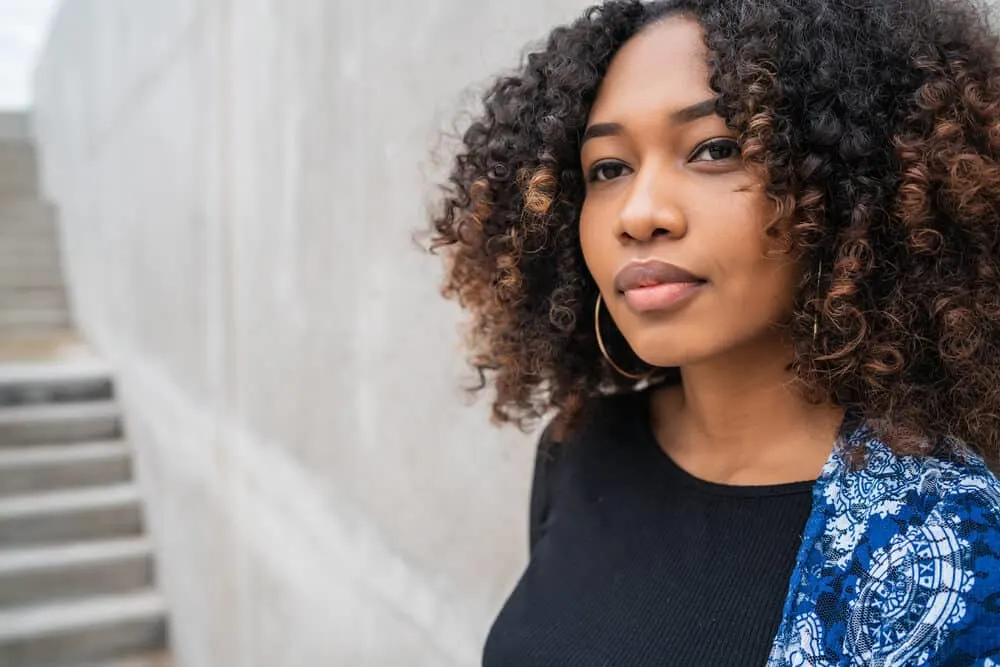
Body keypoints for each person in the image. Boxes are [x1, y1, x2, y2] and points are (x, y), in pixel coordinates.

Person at [428, 0, 1000, 664]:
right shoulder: (580, 448)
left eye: (715, 150)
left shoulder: (945, 542)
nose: (640, 214)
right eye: (608, 168)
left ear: (850, 183)